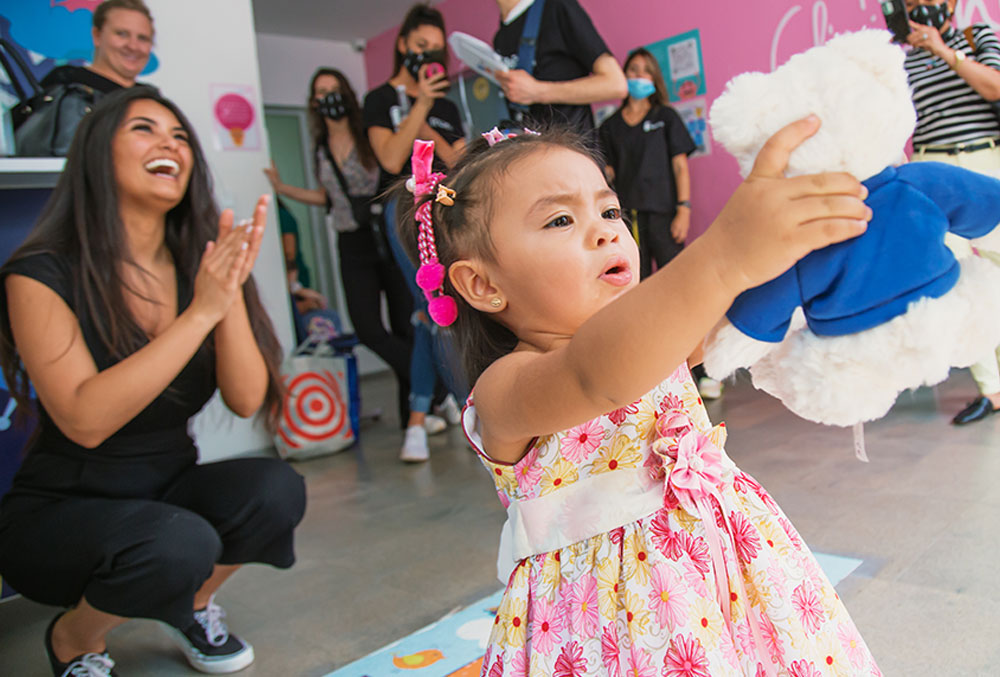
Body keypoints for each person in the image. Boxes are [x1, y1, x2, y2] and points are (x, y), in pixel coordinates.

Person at [394, 120, 879, 674]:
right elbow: (596, 375)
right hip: (610, 629)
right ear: (484, 285)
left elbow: (747, 314)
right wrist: (723, 254)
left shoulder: (658, 342)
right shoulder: (507, 389)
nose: (605, 232)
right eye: (559, 219)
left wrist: (819, 256)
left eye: (609, 211)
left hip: (734, 584)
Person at [0, 86, 306, 677]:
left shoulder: (203, 267)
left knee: (276, 489)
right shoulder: (40, 273)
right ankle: (74, 638)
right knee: (177, 541)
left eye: (180, 135)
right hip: (61, 511)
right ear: (96, 152)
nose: (170, 142)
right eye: (144, 128)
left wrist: (226, 291)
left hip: (166, 495)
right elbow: (85, 421)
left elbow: (245, 400)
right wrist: (199, 313)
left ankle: (189, 606)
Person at [265, 68, 416, 425]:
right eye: (322, 92)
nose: (329, 96)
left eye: (334, 89)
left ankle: (415, 415)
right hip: (351, 242)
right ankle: (431, 380)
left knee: (403, 326)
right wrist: (284, 189)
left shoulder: (369, 135)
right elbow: (330, 198)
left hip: (387, 235)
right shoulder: (320, 148)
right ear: (314, 101)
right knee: (368, 328)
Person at [363, 3, 467, 461]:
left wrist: (429, 117)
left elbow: (462, 161)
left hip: (447, 206)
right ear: (403, 45)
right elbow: (389, 160)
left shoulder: (446, 102)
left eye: (435, 47)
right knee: (431, 311)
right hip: (404, 208)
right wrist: (418, 103)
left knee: (447, 312)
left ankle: (427, 416)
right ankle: (438, 416)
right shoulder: (379, 100)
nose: (427, 53)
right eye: (419, 45)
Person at [904, 0, 1000, 424]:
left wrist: (944, 50)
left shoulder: (976, 37)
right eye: (909, 4)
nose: (920, 8)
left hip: (986, 162)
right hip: (933, 173)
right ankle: (992, 389)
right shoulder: (902, 64)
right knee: (958, 281)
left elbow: (995, 87)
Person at [492, 0, 627, 130]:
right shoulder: (500, 36)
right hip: (530, 145)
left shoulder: (557, 7)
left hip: (569, 146)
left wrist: (537, 91)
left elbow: (615, 84)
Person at [41, 0, 154, 95]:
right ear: (97, 35)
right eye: (122, 34)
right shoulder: (65, 84)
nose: (133, 46)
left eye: (143, 38)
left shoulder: (150, 98)